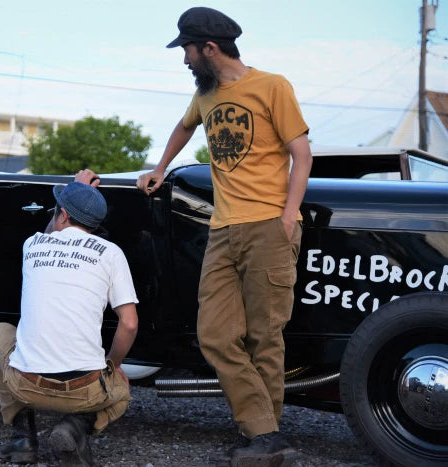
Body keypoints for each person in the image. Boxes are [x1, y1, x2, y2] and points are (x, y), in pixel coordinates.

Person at [137, 7, 312, 466]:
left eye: (188, 52)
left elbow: (301, 153)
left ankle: (262, 439)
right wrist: (159, 169)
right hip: (223, 229)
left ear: (209, 49)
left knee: (265, 338)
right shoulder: (206, 95)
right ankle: (267, 435)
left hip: (268, 226)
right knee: (215, 335)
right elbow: (183, 126)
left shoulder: (272, 85)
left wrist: (289, 216)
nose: (185, 61)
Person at [0, 169, 139, 466]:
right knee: (121, 393)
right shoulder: (112, 253)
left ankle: (22, 437)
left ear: (63, 215)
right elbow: (129, 323)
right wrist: (113, 366)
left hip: (26, 386)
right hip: (85, 391)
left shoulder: (33, 245)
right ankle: (75, 428)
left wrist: (75, 189)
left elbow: (50, 232)